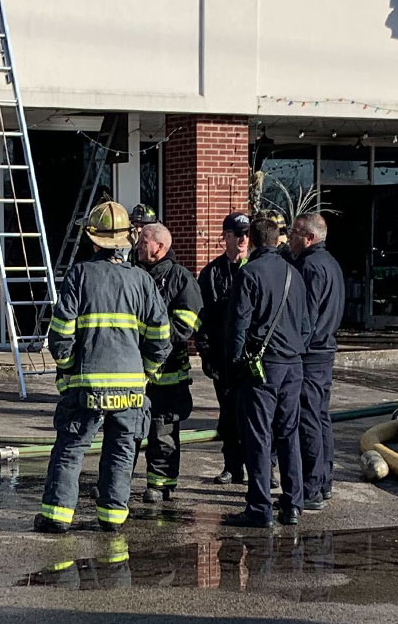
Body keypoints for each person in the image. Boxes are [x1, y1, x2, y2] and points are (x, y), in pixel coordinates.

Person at [37, 201, 171, 534]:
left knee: (71, 449)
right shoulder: (142, 280)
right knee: (121, 451)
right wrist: (146, 373)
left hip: (87, 386)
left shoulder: (79, 275)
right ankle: (112, 517)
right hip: (131, 390)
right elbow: (160, 336)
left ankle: (57, 516)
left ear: (93, 239)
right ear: (127, 238)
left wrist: (68, 368)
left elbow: (61, 333)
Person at [223, 215, 310, 528]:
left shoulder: (249, 274)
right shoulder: (294, 274)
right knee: (288, 434)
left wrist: (233, 365)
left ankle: (259, 508)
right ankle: (293, 504)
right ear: (277, 240)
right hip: (293, 364)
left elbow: (238, 324)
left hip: (262, 367)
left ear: (254, 241)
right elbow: (306, 325)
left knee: (258, 437)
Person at [132, 222, 202, 502]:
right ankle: (117, 482)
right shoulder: (132, 273)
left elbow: (186, 324)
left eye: (143, 241)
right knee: (127, 429)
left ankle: (160, 485)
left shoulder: (180, 278)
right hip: (133, 369)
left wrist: (151, 337)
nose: (138, 245)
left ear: (160, 246)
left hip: (168, 372)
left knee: (163, 429)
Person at [290, 213, 344, 510]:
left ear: (309, 238)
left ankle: (311, 488)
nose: (289, 237)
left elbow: (306, 316)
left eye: (294, 232)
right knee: (321, 417)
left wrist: (294, 348)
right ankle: (324, 482)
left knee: (308, 420)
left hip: (310, 354)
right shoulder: (331, 263)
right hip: (324, 350)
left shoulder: (310, 267)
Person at [195, 213, 251, 484]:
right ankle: (232, 466)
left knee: (257, 416)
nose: (243, 239)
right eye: (237, 234)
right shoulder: (211, 273)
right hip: (223, 358)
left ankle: (264, 467)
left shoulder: (256, 268)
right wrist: (206, 354)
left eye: (247, 234)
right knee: (229, 415)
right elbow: (201, 318)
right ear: (226, 237)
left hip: (252, 357)